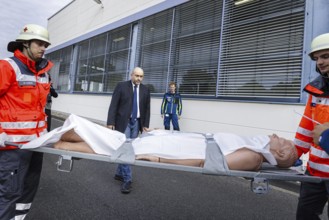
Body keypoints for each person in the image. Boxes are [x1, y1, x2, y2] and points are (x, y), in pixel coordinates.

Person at [49, 127, 297, 171]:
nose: (276, 136)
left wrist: (159, 159)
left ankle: (61, 142)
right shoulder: (253, 146)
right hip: (174, 141)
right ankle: (61, 138)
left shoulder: (253, 157)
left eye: (282, 141)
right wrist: (166, 132)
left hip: (172, 151)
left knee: (116, 147)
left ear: (282, 154)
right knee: (115, 143)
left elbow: (206, 163)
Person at [0, 24, 53, 220]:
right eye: (39, 43)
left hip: (36, 146)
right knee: (8, 194)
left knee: (27, 192)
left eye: (45, 45)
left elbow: (38, 110)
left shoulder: (43, 72)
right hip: (12, 148)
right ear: (25, 43)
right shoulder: (7, 67)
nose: (43, 48)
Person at [294, 33, 329, 220]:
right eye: (317, 58)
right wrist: (293, 154)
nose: (320, 62)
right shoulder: (316, 90)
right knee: (305, 216)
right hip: (314, 171)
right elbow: (306, 127)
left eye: (326, 56)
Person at [107, 67, 151, 194]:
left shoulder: (145, 90)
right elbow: (113, 105)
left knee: (129, 149)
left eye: (141, 76)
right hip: (123, 122)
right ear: (131, 75)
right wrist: (110, 122)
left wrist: (145, 125)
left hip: (137, 123)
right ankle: (127, 179)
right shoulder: (121, 86)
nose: (139, 78)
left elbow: (147, 109)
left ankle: (119, 173)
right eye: (136, 75)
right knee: (127, 150)